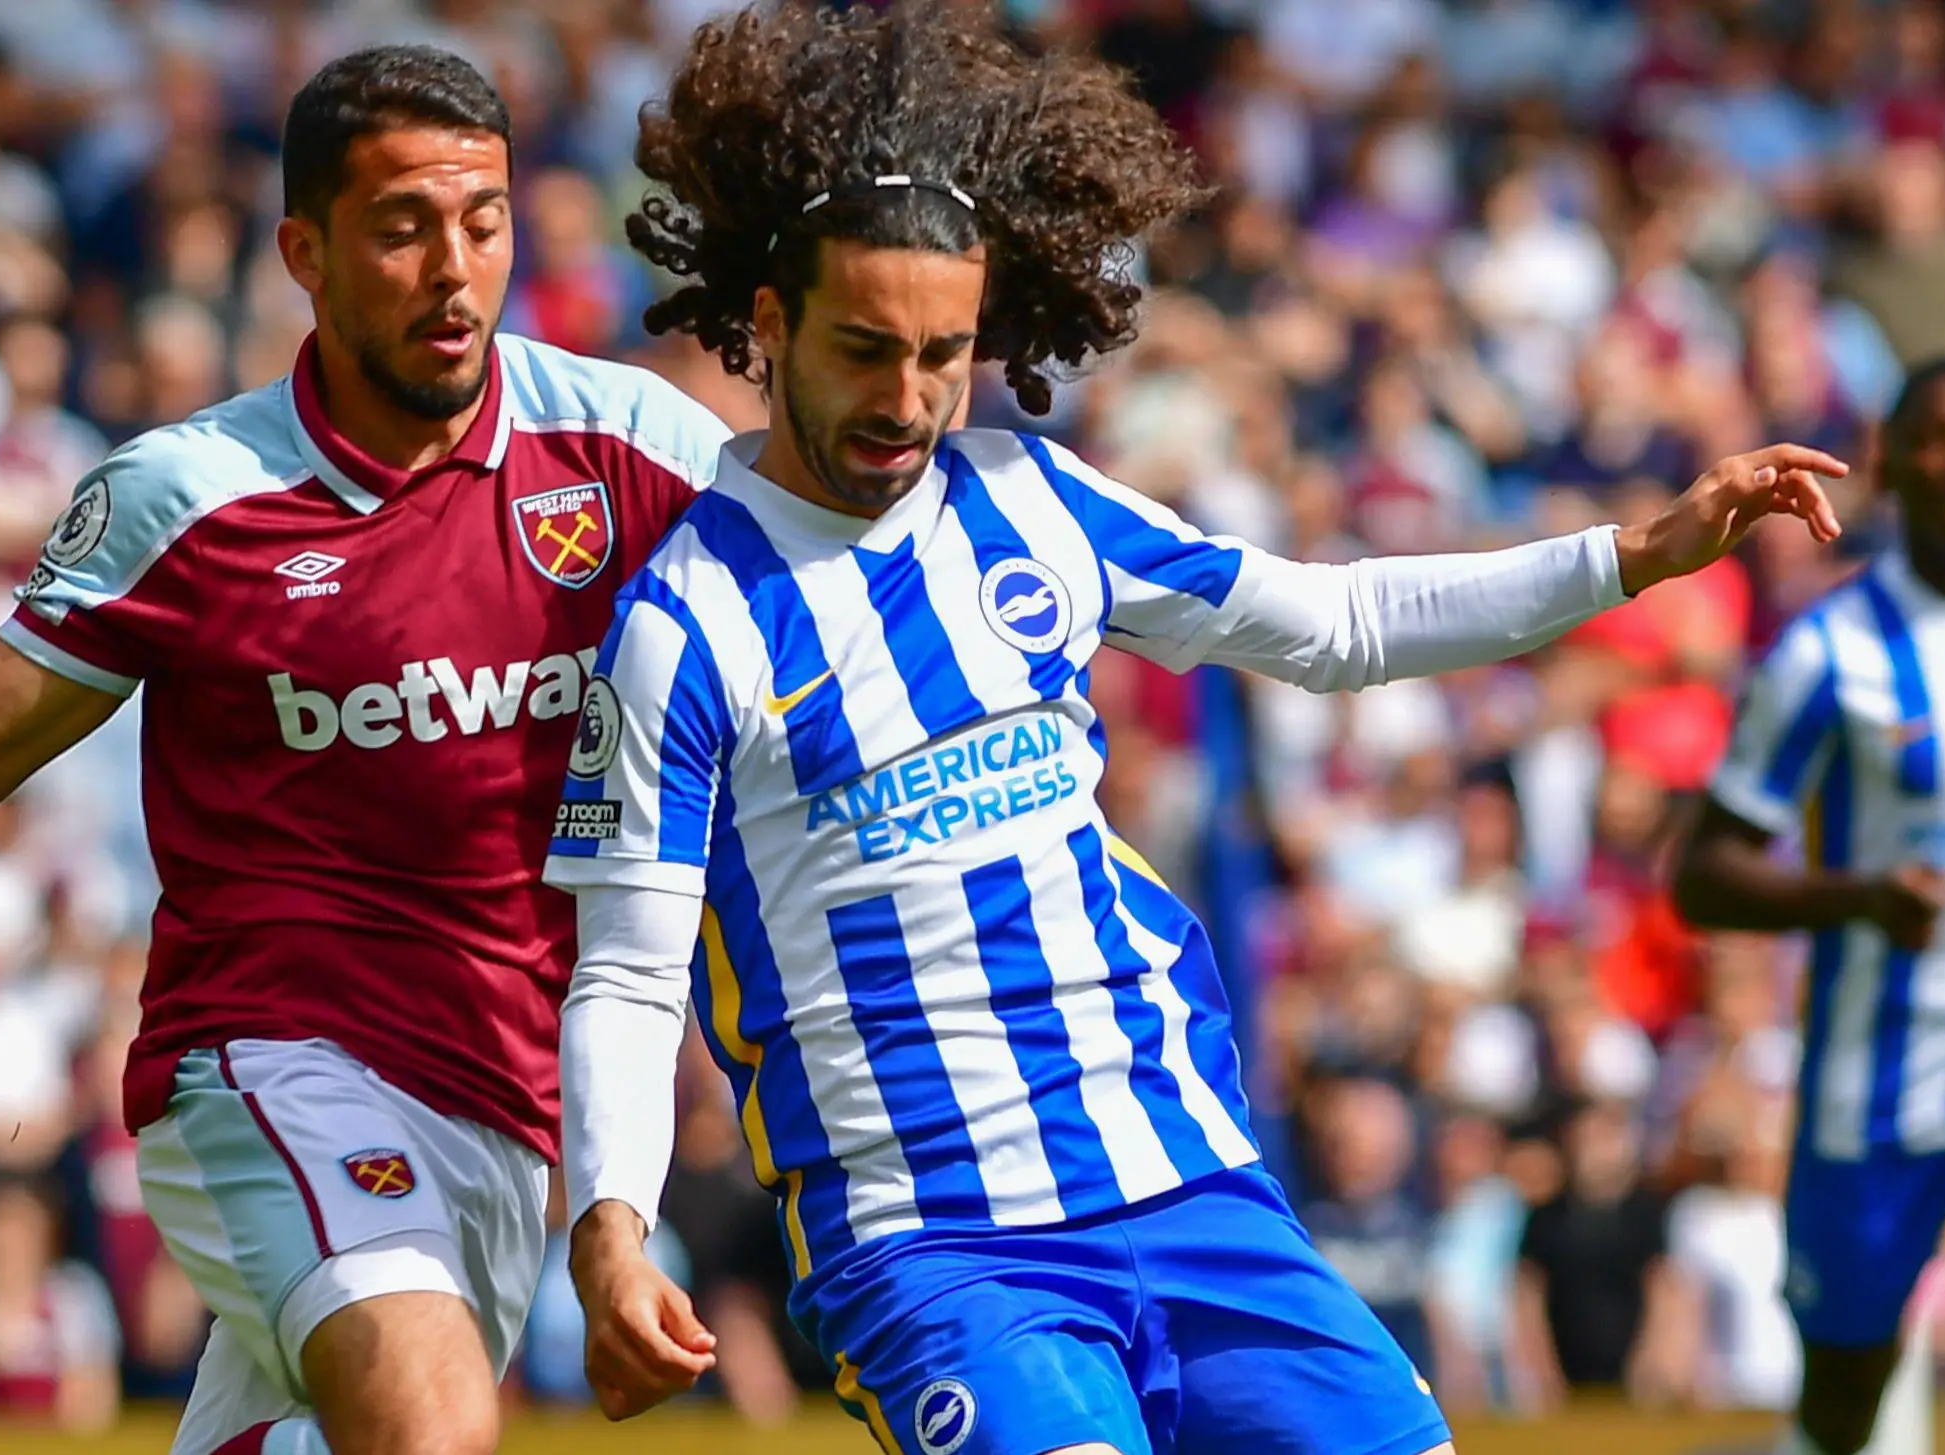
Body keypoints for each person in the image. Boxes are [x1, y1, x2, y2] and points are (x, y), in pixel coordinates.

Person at [546, 5, 1845, 1452]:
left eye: (942, 355)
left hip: (1185, 1177)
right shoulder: (683, 622)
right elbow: (629, 971)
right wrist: (610, 1229)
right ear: (770, 324)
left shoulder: (1031, 501)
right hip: (941, 1241)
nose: (906, 400)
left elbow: (1338, 625)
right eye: (864, 349)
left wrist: (1630, 555)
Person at [0, 46, 730, 1455]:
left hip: (503, 1091)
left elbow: (818, 610)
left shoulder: (631, 446)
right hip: (275, 1055)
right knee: (428, 1427)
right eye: (401, 227)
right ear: (304, 252)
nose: (453, 269)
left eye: (481, 223)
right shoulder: (189, 495)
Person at [1676, 356, 1945, 1455]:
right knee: (1842, 1409)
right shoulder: (1828, 652)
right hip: (1869, 1088)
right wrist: (1860, 897)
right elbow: (1702, 873)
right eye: (1935, 437)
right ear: (1893, 467)